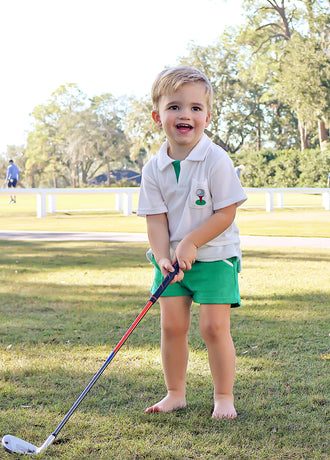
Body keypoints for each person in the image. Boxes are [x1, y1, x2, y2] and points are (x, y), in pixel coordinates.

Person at [137, 66, 247, 419]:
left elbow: (226, 213)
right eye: (175, 107)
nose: (186, 114)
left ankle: (224, 397)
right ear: (158, 116)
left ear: (207, 117)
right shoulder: (153, 169)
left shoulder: (216, 159)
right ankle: (175, 393)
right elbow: (155, 219)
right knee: (172, 326)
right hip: (171, 262)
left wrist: (190, 242)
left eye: (195, 108)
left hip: (215, 257)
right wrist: (162, 255)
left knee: (213, 328)